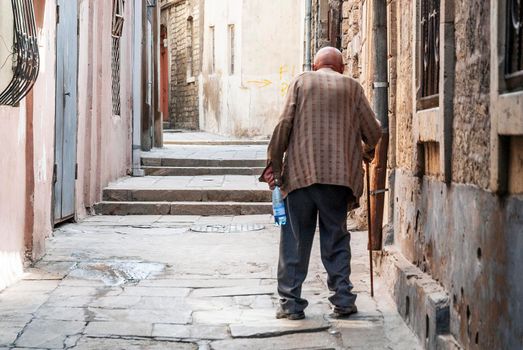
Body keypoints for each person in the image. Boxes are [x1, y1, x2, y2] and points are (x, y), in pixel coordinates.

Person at [260, 46, 381, 320]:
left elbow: (283, 126)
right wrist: (363, 152)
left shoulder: (301, 81)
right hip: (338, 180)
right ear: (341, 68)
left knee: (295, 240)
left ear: (315, 66)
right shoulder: (352, 87)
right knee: (335, 237)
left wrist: (274, 167)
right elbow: (374, 132)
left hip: (300, 176)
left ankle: (291, 304)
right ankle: (343, 299)